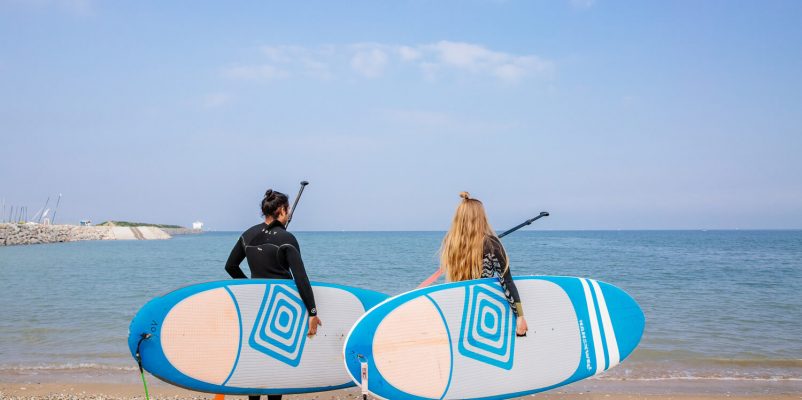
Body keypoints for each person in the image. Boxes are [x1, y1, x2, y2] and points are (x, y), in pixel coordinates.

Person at [225, 189, 322, 400]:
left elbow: (230, 266)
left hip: (256, 306)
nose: (288, 213)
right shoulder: (287, 238)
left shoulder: (248, 234)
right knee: (276, 362)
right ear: (281, 210)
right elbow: (301, 278)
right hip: (281, 307)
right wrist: (312, 312)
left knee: (256, 359)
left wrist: (252, 287)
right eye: (287, 209)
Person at [439, 191, 528, 336]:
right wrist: (520, 316)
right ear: (480, 217)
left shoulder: (450, 243)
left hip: (459, 309)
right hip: (483, 310)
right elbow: (506, 281)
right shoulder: (491, 244)